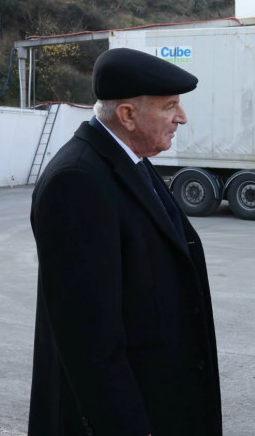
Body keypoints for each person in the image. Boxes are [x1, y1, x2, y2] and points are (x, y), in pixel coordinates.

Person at [28, 48, 221, 436]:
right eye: (170, 106)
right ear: (128, 115)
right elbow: (88, 338)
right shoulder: (77, 181)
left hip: (160, 399)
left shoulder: (129, 160)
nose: (182, 117)